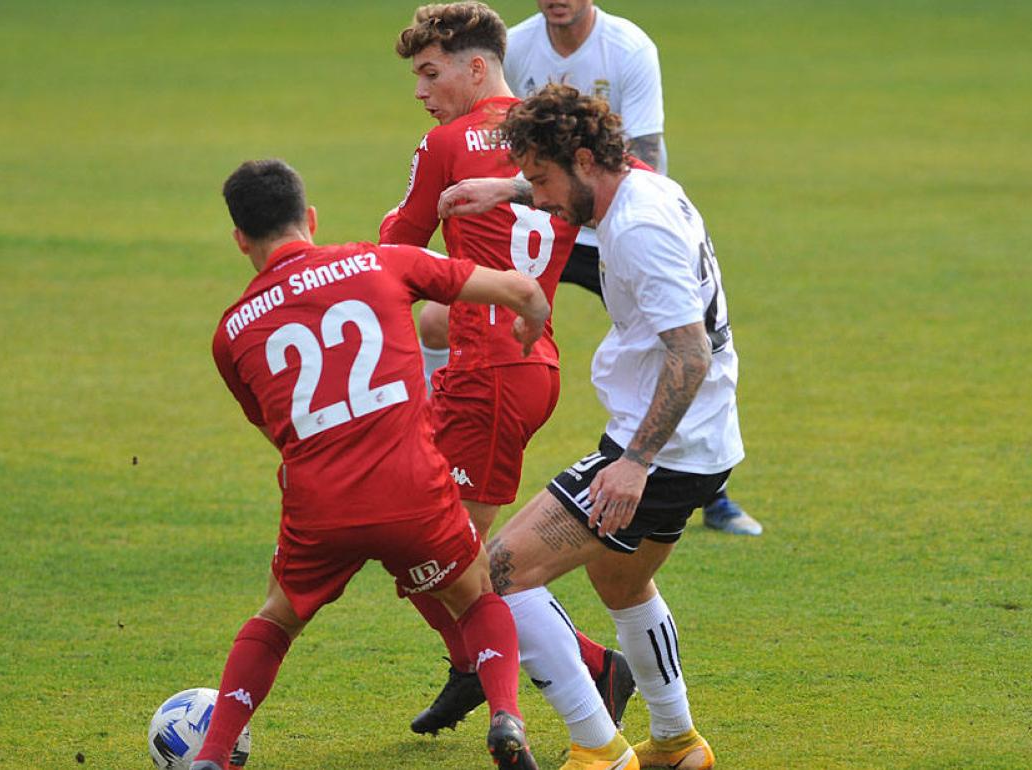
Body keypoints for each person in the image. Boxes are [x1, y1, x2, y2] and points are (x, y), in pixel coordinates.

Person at [190, 159, 546, 770]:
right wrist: (531, 320)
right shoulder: (382, 262)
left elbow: (280, 432)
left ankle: (213, 754)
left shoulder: (231, 334)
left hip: (320, 503)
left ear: (240, 240)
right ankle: (505, 716)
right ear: (310, 218)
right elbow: (520, 290)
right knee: (475, 595)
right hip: (414, 488)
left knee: (276, 619)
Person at [437, 84, 742, 769]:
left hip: (661, 449)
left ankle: (599, 747)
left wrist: (634, 463)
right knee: (622, 584)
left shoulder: (638, 229)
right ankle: (677, 742)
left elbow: (690, 353)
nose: (541, 199)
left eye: (542, 180)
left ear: (581, 159)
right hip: (704, 440)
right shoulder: (641, 186)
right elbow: (572, 192)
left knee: (493, 575)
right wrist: (507, 190)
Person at [381, 1, 634, 738]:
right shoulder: (550, 139)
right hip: (524, 361)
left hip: (488, 374)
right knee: (410, 540)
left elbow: (397, 250)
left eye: (431, 74)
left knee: (446, 559)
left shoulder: (447, 143)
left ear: (476, 67)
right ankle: (475, 665)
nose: (421, 91)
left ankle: (588, 669)